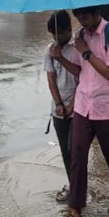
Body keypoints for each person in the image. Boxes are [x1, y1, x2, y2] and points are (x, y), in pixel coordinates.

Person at [49, 5, 109, 217]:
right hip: (83, 106)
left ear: (97, 12)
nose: (81, 20)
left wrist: (86, 52)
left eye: (84, 15)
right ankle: (74, 213)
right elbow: (82, 71)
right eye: (78, 16)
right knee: (77, 157)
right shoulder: (80, 35)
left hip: (108, 108)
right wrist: (62, 59)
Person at [44, 11, 77, 202]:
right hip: (58, 109)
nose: (56, 38)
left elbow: (83, 79)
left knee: (75, 149)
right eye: (53, 35)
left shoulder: (77, 48)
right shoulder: (50, 49)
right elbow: (51, 78)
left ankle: (79, 185)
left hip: (78, 108)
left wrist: (72, 105)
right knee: (65, 150)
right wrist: (58, 103)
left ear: (69, 30)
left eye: (59, 34)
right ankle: (72, 183)